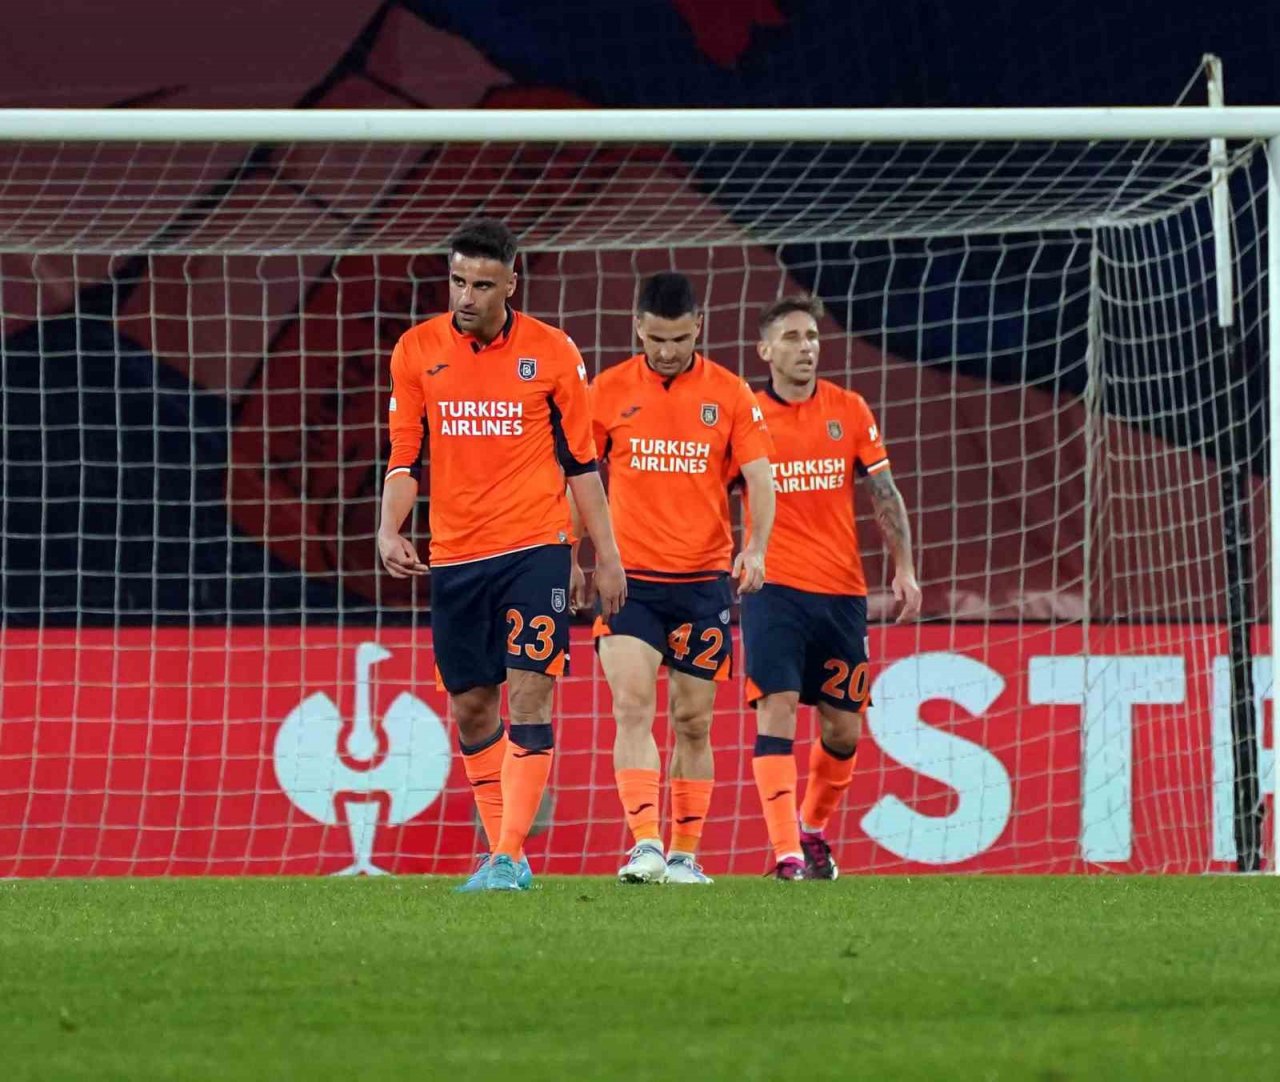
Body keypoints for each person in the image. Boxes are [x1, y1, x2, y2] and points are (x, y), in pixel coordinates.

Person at [379, 218, 626, 892]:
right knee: (472, 706)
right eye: (458, 280)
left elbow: (581, 464)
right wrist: (387, 526)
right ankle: (501, 851)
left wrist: (602, 553)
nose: (466, 295)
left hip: (535, 548)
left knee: (530, 695)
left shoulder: (552, 353)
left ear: (511, 284)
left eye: (482, 284)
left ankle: (511, 855)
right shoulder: (416, 350)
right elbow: (405, 456)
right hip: (456, 554)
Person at [586, 272, 775, 885]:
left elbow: (761, 479)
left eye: (678, 338)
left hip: (702, 584)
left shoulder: (730, 393)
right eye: (656, 338)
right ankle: (645, 843)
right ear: (637, 326)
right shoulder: (607, 390)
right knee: (632, 707)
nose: (667, 351)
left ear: (699, 326)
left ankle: (686, 853)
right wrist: (572, 547)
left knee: (693, 721)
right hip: (629, 581)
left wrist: (756, 548)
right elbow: (581, 479)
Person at [741, 295, 921, 881]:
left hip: (843, 595)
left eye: (812, 336)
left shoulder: (849, 408)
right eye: (791, 337)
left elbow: (884, 492)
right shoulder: (746, 413)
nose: (806, 347)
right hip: (774, 590)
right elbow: (712, 490)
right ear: (766, 350)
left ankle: (812, 829)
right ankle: (787, 852)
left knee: (843, 730)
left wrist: (904, 568)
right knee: (778, 710)